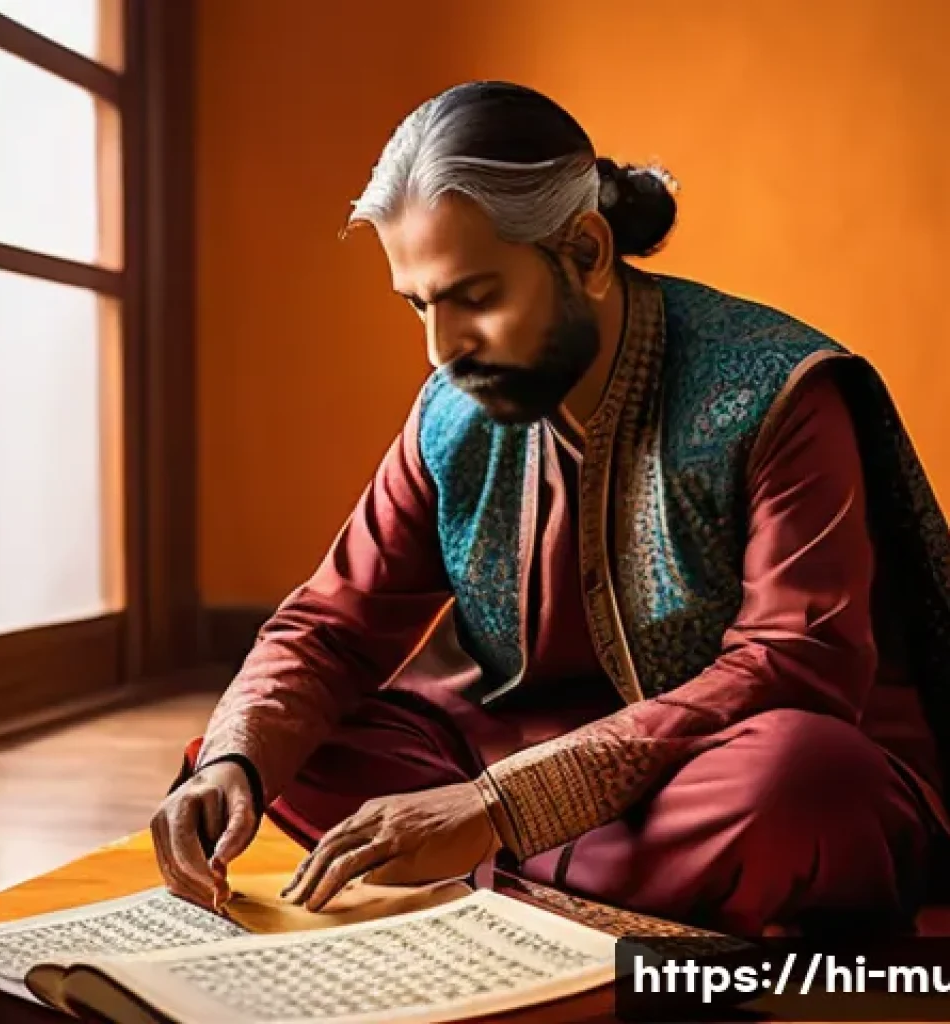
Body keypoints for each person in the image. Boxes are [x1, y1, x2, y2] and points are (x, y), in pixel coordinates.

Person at [152, 81, 950, 937]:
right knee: (289, 745)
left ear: (587, 252)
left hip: (722, 765)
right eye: (419, 304)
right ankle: (553, 871)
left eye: (475, 297)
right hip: (523, 750)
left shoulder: (777, 391)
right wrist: (235, 760)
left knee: (807, 780)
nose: (442, 348)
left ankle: (484, 867)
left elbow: (793, 666)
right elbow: (332, 625)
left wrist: (501, 809)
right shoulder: (451, 412)